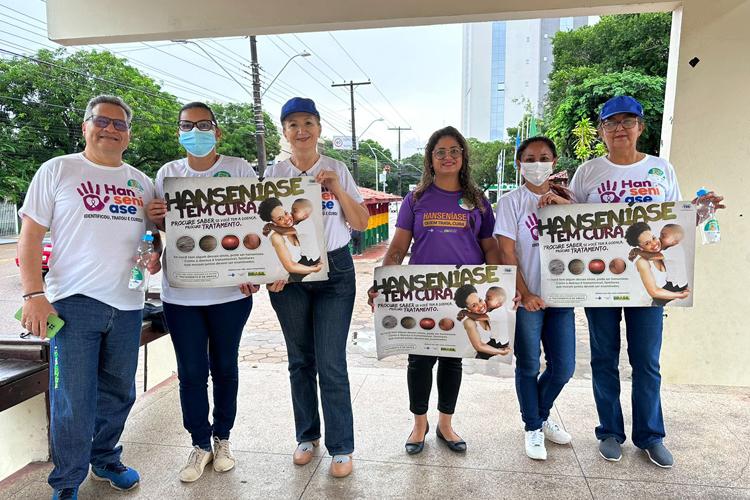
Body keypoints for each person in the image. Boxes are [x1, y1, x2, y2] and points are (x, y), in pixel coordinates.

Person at [569, 96, 725, 468]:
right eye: (611, 122)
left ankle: (651, 436)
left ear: (641, 127)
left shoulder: (661, 170)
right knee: (604, 359)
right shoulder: (588, 173)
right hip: (601, 285)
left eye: (628, 121)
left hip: (649, 284)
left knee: (646, 361)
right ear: (602, 130)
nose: (619, 128)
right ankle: (609, 431)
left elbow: (675, 222)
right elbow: (569, 225)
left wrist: (700, 214)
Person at [17, 95, 160, 500]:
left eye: (120, 125)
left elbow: (151, 242)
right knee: (73, 400)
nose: (110, 129)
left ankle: (106, 460)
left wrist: (156, 255)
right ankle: (66, 482)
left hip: (129, 305)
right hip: (73, 304)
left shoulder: (140, 181)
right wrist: (33, 293)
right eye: (102, 121)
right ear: (86, 127)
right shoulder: (59, 170)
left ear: (128, 136)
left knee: (119, 393)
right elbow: (30, 236)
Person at [145, 102, 259, 483]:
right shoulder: (167, 173)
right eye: (187, 126)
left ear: (217, 132)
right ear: (179, 131)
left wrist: (254, 270)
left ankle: (223, 437)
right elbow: (162, 229)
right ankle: (199, 444)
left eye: (203, 124)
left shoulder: (239, 168)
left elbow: (254, 222)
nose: (195, 131)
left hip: (230, 292)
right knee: (192, 373)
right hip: (181, 295)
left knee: (225, 368)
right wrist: (157, 217)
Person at [371, 126, 500, 456]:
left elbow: (490, 248)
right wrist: (382, 283)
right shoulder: (416, 200)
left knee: (452, 363)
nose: (447, 156)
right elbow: (398, 248)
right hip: (423, 295)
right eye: (440, 151)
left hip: (462, 293)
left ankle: (445, 424)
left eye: (454, 150)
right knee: (419, 361)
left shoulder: (478, 201)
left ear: (463, 157)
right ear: (430, 158)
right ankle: (419, 424)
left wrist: (501, 283)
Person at [263, 97, 369, 478]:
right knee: (299, 359)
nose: (301, 130)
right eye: (292, 124)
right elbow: (263, 231)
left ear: (319, 128)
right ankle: (307, 435)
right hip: (288, 275)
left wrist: (337, 189)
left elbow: (360, 223)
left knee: (331, 361)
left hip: (335, 270)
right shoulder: (273, 173)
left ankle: (342, 445)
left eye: (308, 122)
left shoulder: (336, 168)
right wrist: (270, 270)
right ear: (285, 131)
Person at [495, 136, 577, 461]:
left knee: (564, 367)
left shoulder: (567, 200)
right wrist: (525, 292)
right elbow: (505, 251)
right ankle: (533, 426)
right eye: (530, 158)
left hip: (561, 297)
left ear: (554, 162)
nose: (537, 164)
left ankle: (539, 417)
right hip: (528, 298)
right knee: (528, 365)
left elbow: (590, 236)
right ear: (520, 164)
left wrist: (563, 206)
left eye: (544, 158)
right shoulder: (511, 202)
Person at [258, 197, 323, 282]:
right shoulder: (276, 237)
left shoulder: (298, 225)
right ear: (273, 223)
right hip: (287, 284)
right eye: (280, 218)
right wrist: (314, 269)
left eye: (286, 213)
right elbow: (290, 267)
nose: (287, 218)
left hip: (311, 276)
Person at [624, 222, 690, 305]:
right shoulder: (642, 262)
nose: (654, 243)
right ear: (640, 247)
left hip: (675, 292)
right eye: (647, 243)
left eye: (654, 238)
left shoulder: (666, 250)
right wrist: (679, 295)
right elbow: (654, 292)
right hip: (650, 303)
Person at [454, 284, 511, 358]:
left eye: (480, 300)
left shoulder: (494, 311)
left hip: (499, 347)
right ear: (467, 309)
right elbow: (479, 346)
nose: (481, 305)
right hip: (475, 361)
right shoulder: (469, 322)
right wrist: (501, 352)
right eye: (474, 305)